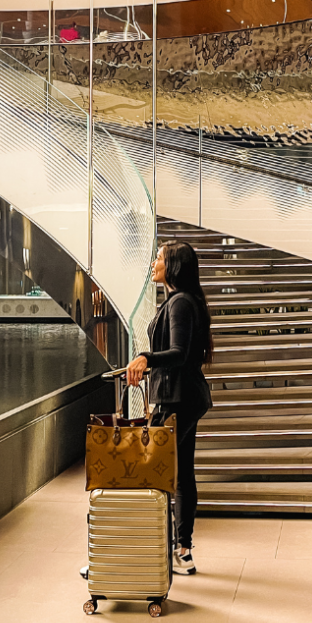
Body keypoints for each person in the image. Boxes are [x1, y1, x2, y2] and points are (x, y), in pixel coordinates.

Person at [127, 241, 214, 574]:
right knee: (182, 475)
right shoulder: (185, 300)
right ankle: (182, 550)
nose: (154, 263)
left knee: (153, 472)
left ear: (173, 266)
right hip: (185, 397)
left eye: (159, 258)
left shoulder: (179, 303)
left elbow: (177, 353)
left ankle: (158, 550)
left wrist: (145, 358)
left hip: (178, 399)